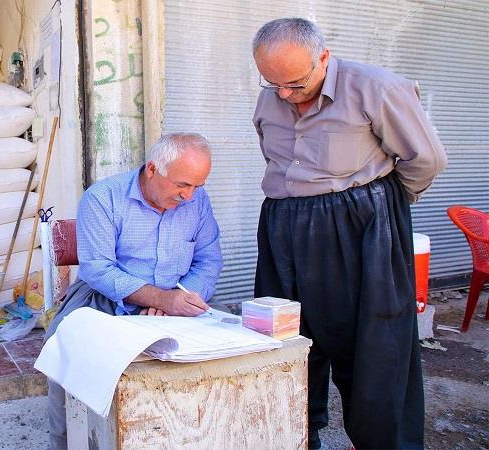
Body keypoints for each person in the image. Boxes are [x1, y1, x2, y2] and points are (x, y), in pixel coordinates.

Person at [251, 18, 447, 450]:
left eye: (295, 84)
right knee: (284, 337)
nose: (283, 94)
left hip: (356, 226)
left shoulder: (376, 89)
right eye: (272, 83)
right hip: (283, 225)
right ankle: (296, 436)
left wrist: (380, 205)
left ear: (323, 57)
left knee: (374, 344)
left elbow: (426, 160)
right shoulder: (274, 94)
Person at [44, 132, 224, 449]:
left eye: (197, 186)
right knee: (67, 361)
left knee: (217, 363)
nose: (189, 196)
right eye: (182, 185)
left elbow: (209, 261)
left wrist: (178, 300)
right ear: (152, 169)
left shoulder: (197, 202)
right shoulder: (103, 198)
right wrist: (159, 298)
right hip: (104, 300)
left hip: (176, 302)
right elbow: (98, 269)